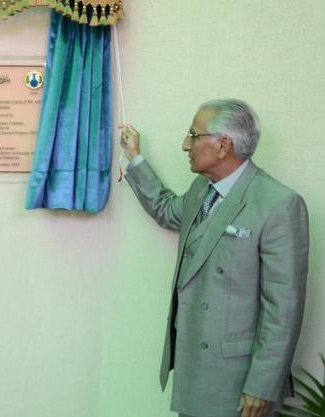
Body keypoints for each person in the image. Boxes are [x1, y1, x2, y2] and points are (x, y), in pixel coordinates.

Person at [119, 99, 309, 417]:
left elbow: (283, 311)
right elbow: (168, 211)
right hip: (195, 370)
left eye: (193, 135)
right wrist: (135, 158)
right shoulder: (202, 189)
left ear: (223, 145)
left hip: (239, 383)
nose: (185, 145)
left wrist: (261, 387)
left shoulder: (278, 204)